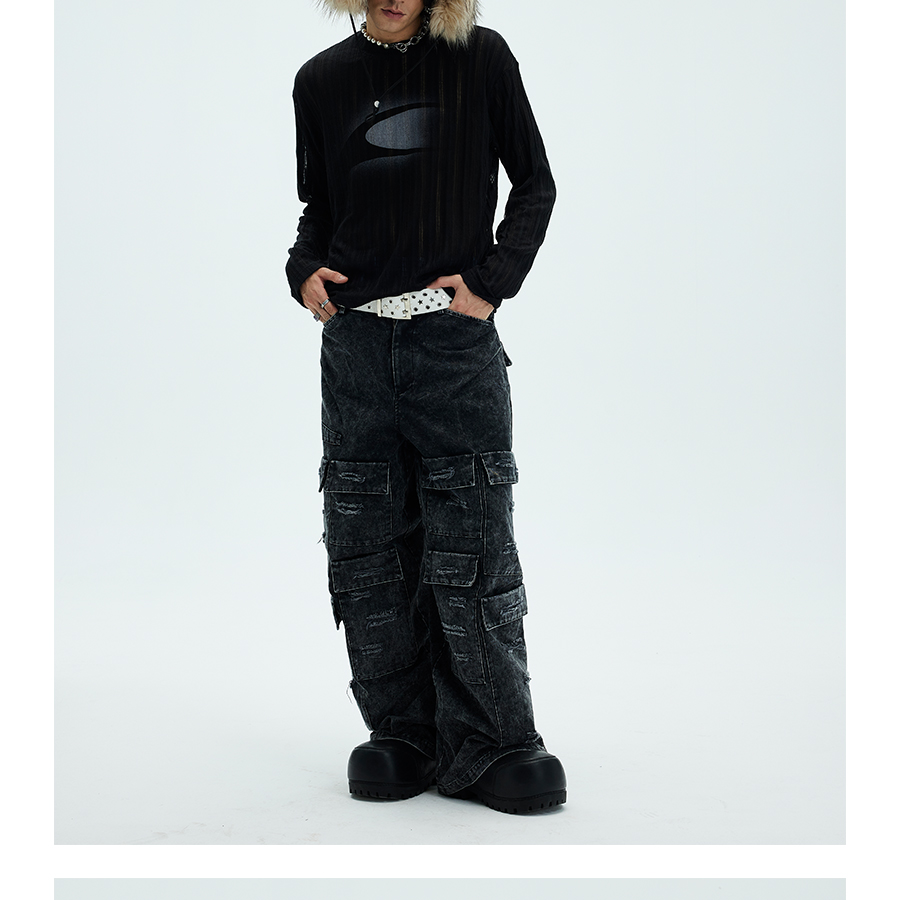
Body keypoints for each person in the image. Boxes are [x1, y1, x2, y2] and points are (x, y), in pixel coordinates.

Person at [286, 0, 566, 814]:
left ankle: (495, 743)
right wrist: (301, 269)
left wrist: (491, 284)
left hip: (452, 343)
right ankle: (403, 734)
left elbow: (536, 184)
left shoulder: (481, 58)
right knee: (366, 542)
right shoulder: (320, 80)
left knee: (471, 537)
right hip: (355, 348)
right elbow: (321, 209)